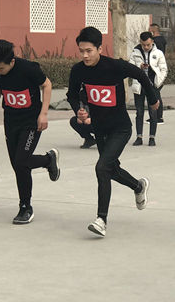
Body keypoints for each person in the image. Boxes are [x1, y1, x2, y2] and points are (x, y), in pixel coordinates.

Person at [66, 26, 159, 237]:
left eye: (89, 51)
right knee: (110, 169)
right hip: (99, 128)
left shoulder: (115, 66)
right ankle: (138, 186)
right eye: (81, 51)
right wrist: (79, 109)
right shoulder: (78, 70)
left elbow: (140, 75)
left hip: (120, 128)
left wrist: (153, 99)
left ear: (99, 49)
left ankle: (101, 219)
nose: (85, 55)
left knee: (101, 167)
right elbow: (72, 94)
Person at [0, 40, 60, 225]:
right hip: (11, 121)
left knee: (21, 162)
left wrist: (44, 114)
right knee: (17, 164)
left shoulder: (29, 69)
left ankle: (25, 207)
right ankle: (48, 160)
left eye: (1, 68)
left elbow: (47, 85)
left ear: (12, 62)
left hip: (31, 121)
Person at [129, 31, 168, 147]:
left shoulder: (158, 53)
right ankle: (139, 137)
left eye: (148, 45)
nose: (146, 47)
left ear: (152, 42)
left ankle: (152, 137)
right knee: (139, 112)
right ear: (140, 43)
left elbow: (164, 69)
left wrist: (158, 83)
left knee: (153, 112)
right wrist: (139, 66)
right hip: (139, 85)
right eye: (143, 45)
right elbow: (129, 67)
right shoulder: (135, 52)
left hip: (152, 86)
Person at [149, 23, 167, 123]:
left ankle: (158, 117)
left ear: (153, 30)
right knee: (155, 93)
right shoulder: (162, 40)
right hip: (159, 69)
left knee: (155, 94)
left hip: (156, 70)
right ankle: (155, 116)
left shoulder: (156, 42)